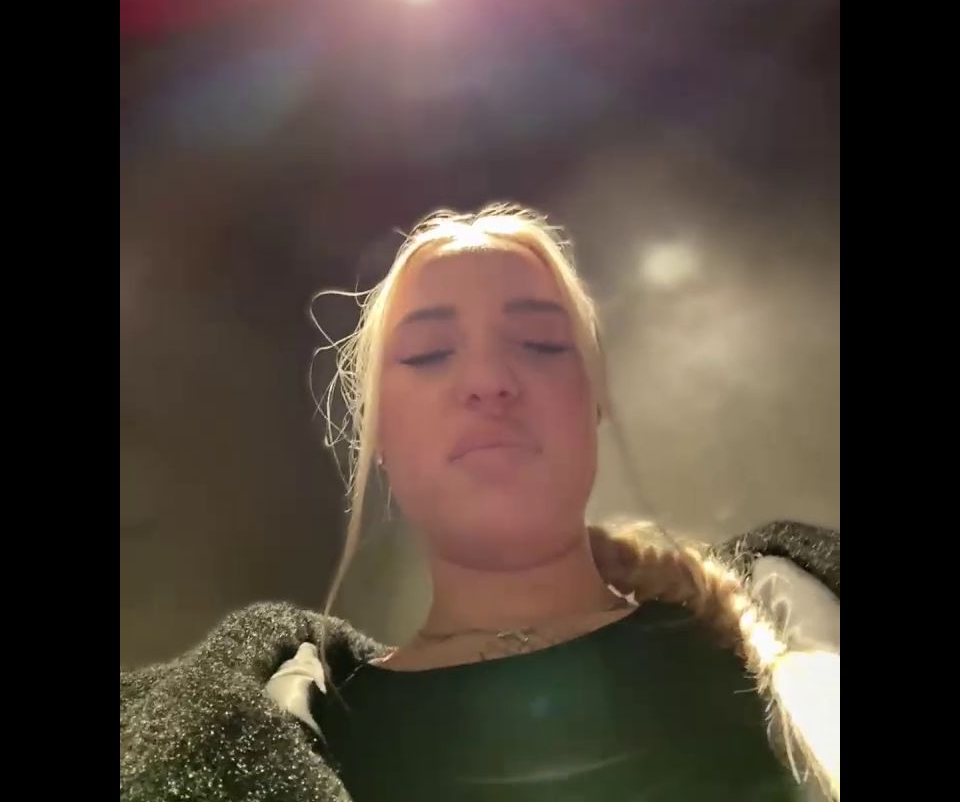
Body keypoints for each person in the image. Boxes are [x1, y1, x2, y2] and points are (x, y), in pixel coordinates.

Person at [120, 203, 840, 801]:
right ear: (378, 432)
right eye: (430, 353)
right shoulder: (306, 729)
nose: (489, 380)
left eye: (539, 342)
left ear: (593, 402)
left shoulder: (787, 639)